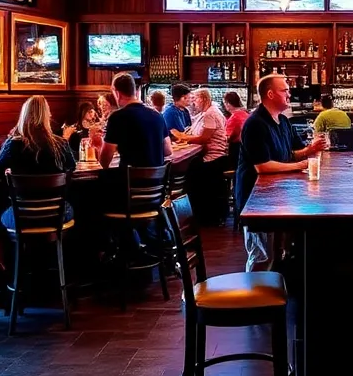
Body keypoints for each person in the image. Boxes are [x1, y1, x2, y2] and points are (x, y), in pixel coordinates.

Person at [236, 74, 326, 272]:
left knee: (278, 253)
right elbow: (263, 166)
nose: (289, 93)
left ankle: (279, 295)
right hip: (257, 202)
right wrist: (302, 164)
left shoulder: (283, 121)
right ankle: (256, 299)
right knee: (262, 257)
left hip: (277, 197)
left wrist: (310, 149)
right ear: (270, 94)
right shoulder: (255, 124)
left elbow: (290, 154)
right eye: (284, 90)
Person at [0, 96, 76, 277]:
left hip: (22, 216)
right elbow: (71, 169)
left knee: (5, 210)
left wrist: (13, 181)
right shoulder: (60, 144)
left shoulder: (12, 144)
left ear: (23, 116)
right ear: (46, 116)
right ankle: (71, 268)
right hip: (57, 215)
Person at [172, 89, 230, 225]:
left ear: (203, 99)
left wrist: (184, 138)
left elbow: (204, 138)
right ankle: (200, 215)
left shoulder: (210, 114)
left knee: (191, 173)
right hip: (219, 156)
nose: (193, 102)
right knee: (193, 168)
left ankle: (199, 216)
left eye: (195, 99)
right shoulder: (211, 111)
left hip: (213, 158)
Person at [100, 72, 171, 170]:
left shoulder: (117, 117)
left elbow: (104, 161)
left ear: (117, 93)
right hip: (158, 183)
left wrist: (98, 144)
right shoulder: (157, 115)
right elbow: (168, 151)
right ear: (135, 91)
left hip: (129, 183)